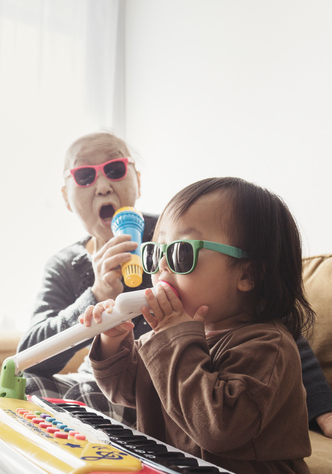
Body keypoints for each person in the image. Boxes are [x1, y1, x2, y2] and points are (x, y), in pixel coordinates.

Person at [17, 131, 332, 449]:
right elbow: (44, 359)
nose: (103, 185)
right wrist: (104, 315)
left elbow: (274, 326)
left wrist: (325, 408)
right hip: (142, 384)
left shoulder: (182, 229)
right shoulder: (66, 265)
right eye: (84, 176)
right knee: (19, 389)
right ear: (66, 196)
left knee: (68, 405)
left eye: (115, 170)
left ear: (137, 180)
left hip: (184, 394)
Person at [82, 177, 313, 472]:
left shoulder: (269, 346)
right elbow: (126, 390)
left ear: (248, 276)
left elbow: (218, 428)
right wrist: (112, 341)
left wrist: (173, 338)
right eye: (155, 252)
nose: (162, 266)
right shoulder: (173, 337)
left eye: (181, 253)